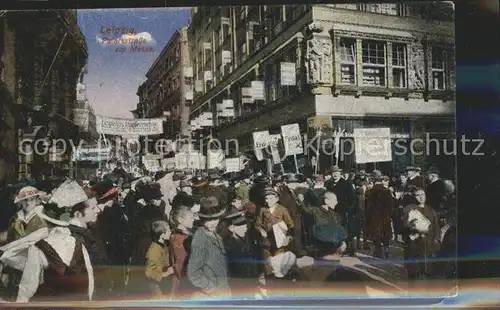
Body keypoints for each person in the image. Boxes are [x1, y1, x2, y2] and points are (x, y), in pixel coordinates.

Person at [187, 196, 230, 299]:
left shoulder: (215, 233)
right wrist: (210, 287)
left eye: (215, 218)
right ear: (202, 219)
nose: (212, 223)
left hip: (223, 288)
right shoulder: (200, 238)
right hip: (213, 293)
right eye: (208, 219)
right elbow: (193, 273)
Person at [402, 188, 440, 290]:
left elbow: (436, 226)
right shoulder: (409, 209)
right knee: (413, 271)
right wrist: (413, 227)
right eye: (418, 195)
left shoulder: (431, 210)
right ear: (414, 197)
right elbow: (404, 225)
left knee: (427, 270)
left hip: (427, 244)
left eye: (422, 194)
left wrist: (436, 239)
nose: (421, 197)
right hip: (414, 244)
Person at [169, 206, 197, 298]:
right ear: (180, 219)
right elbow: (180, 263)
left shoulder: (181, 236)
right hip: (183, 283)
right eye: (190, 217)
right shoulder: (179, 239)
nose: (193, 220)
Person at [145, 220, 175, 297]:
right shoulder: (154, 249)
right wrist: (167, 273)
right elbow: (149, 273)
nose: (170, 232)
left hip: (162, 284)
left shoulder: (163, 245)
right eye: (168, 230)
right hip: (156, 287)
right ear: (162, 235)